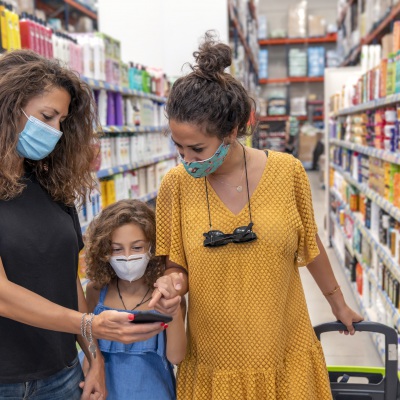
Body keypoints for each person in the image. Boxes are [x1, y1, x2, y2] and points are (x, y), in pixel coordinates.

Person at [149, 32, 363, 399]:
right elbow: (176, 267)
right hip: (214, 357)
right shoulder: (175, 185)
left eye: (197, 148)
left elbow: (310, 245)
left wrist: (339, 303)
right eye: (178, 146)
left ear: (232, 131)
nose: (186, 159)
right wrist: (172, 285)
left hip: (285, 347)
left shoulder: (288, 172)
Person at [0, 50, 166, 400]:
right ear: (8, 107)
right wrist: (88, 324)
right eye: (47, 116)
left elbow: (66, 276)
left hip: (63, 375)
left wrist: (94, 358)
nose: (56, 131)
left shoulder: (50, 186)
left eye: (62, 120)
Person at [84, 199, 186, 400]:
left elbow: (176, 356)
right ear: (104, 251)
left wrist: (172, 311)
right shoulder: (96, 290)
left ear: (152, 247)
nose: (127, 257)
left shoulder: (166, 298)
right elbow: (89, 341)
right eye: (117, 249)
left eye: (137, 247)